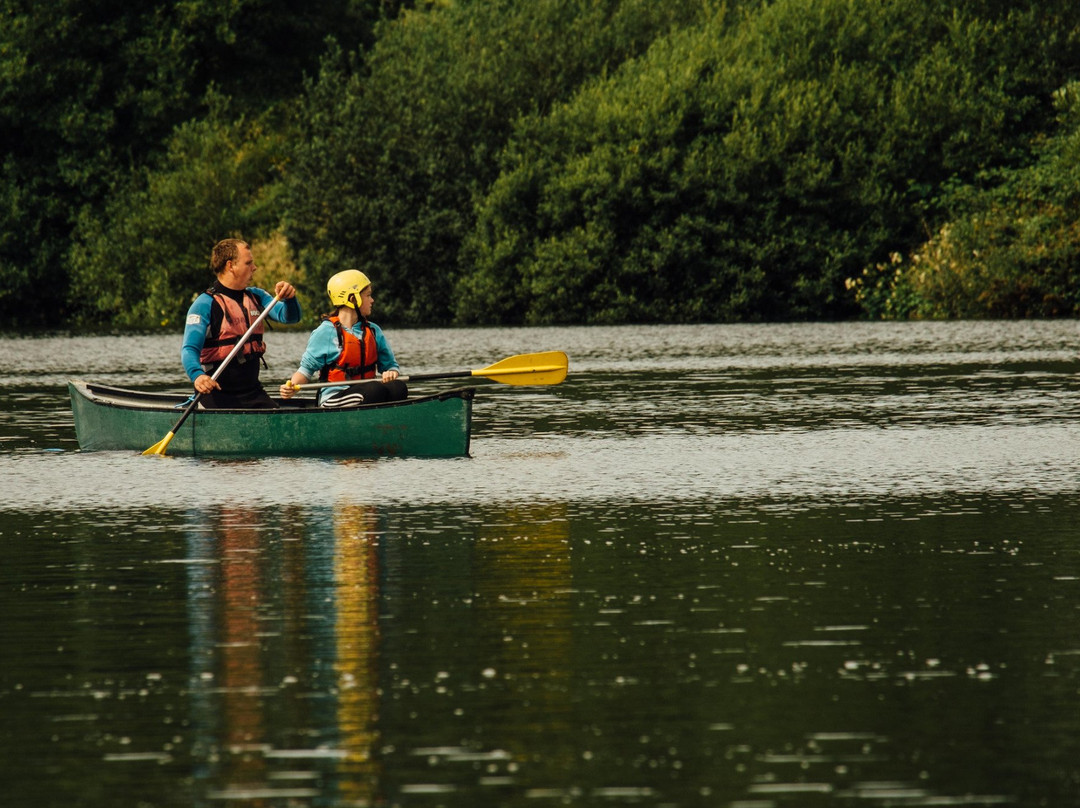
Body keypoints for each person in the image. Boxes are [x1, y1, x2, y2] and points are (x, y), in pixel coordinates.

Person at [181, 238, 301, 409]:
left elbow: (290, 317)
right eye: (248, 263)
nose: (254, 267)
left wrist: (290, 299)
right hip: (216, 394)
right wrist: (198, 376)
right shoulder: (204, 304)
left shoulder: (256, 296)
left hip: (252, 392)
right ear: (230, 266)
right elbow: (189, 349)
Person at [279, 269, 408, 408]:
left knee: (398, 388)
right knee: (374, 389)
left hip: (369, 394)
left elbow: (390, 366)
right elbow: (305, 371)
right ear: (352, 299)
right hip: (333, 399)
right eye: (368, 295)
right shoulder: (326, 332)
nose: (372, 300)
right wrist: (291, 387)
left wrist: (391, 373)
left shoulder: (374, 331)